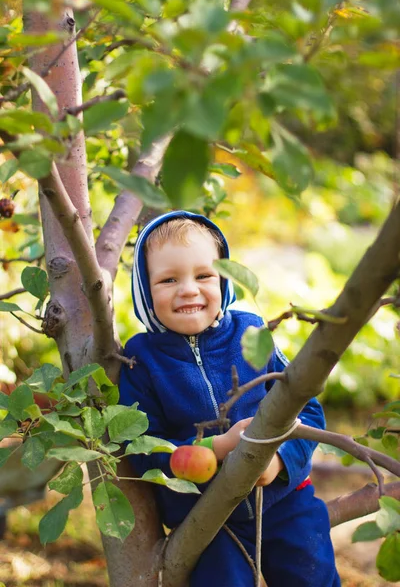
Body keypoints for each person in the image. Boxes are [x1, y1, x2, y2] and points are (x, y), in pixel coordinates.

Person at [119, 210, 340, 587]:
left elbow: (308, 411)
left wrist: (278, 462)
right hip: (204, 517)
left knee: (312, 575)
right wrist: (216, 447)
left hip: (284, 500)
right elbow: (140, 447)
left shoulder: (251, 333)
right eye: (168, 279)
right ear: (144, 288)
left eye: (203, 275)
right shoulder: (141, 359)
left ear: (224, 279)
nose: (188, 289)